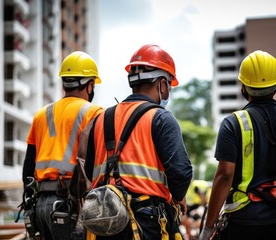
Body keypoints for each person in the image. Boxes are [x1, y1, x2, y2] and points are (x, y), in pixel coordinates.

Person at [199, 50, 276, 240]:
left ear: (243, 87)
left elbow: (225, 175)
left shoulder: (233, 123)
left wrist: (208, 228)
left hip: (243, 222)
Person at [83, 44, 193, 240]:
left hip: (104, 222)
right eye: (168, 84)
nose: (168, 90)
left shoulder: (101, 119)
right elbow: (181, 171)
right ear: (161, 84)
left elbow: (90, 168)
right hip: (146, 223)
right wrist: (178, 197)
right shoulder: (161, 118)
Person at [22, 51, 104, 240]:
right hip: (71, 205)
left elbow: (28, 165)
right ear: (89, 85)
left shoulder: (41, 114)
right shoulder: (94, 112)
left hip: (40, 205)